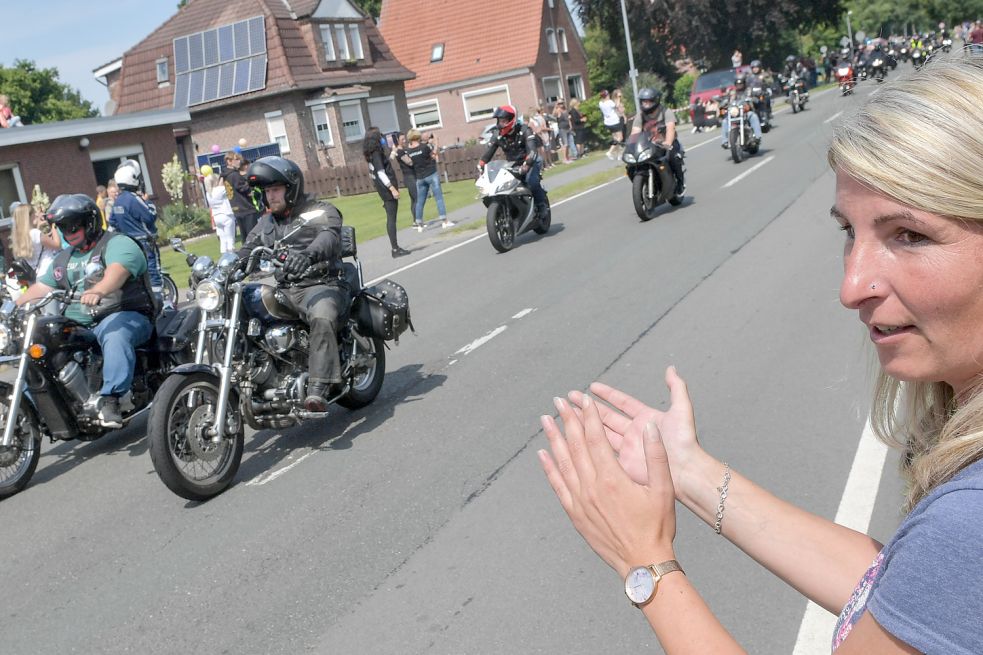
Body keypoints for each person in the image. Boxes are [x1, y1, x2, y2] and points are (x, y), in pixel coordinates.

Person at [539, 53, 983, 654]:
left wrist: (645, 566)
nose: (852, 287)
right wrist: (688, 470)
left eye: (909, 235)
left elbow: (945, 563)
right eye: (848, 233)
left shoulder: (967, 524)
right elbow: (910, 591)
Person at [16, 194, 156, 428]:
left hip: (124, 314)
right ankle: (26, 407)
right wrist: (14, 306)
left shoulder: (117, 243)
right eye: (62, 227)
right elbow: (42, 286)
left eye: (73, 225)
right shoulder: (64, 258)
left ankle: (111, 399)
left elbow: (117, 271)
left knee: (114, 334)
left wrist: (99, 290)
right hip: (81, 323)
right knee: (40, 343)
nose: (68, 232)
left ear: (89, 222)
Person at [239, 156, 349, 411]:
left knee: (322, 315)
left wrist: (308, 255)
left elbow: (329, 237)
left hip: (323, 284)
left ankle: (318, 387)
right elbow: (248, 249)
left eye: (275, 190)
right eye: (267, 191)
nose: (270, 197)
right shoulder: (267, 222)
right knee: (247, 303)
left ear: (291, 188)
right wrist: (223, 267)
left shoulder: (319, 210)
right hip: (287, 290)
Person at [478, 104, 547, 219]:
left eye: (504, 121)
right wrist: (481, 164)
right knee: (499, 186)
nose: (501, 124)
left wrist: (527, 164)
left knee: (531, 182)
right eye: (499, 121)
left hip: (530, 161)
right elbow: (489, 151)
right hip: (511, 165)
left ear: (511, 120)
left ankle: (541, 205)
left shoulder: (525, 130)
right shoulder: (498, 135)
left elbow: (532, 150)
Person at [109, 159, 162, 297]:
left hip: (129, 244)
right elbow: (150, 216)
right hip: (144, 241)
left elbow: (113, 223)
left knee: (137, 274)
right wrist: (148, 201)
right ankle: (160, 300)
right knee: (153, 271)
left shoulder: (117, 201)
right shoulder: (133, 199)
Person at [628, 87, 685, 196]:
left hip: (667, 144)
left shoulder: (665, 112)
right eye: (644, 101)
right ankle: (644, 184)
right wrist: (631, 146)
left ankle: (680, 183)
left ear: (655, 100)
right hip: (649, 145)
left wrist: (668, 143)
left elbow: (670, 128)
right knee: (631, 165)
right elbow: (635, 132)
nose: (646, 104)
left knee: (674, 158)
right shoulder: (640, 116)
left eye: (649, 101)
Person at [363, 127, 410, 257]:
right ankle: (395, 249)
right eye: (380, 136)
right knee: (391, 219)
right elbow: (381, 173)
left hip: (383, 190)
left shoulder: (373, 153)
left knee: (391, 218)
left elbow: (379, 169)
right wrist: (392, 188)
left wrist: (393, 152)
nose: (382, 138)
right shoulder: (376, 153)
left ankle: (395, 247)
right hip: (387, 190)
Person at [403, 129, 453, 230]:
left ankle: (419, 224)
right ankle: (444, 221)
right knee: (438, 198)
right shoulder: (424, 147)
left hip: (419, 177)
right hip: (431, 174)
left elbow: (410, 162)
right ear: (418, 136)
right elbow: (434, 155)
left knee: (420, 201)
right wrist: (436, 143)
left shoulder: (408, 151)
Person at [221, 151, 262, 243]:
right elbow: (243, 189)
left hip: (237, 209)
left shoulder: (225, 175)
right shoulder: (234, 175)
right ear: (229, 161)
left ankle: (246, 255)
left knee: (245, 237)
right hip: (246, 208)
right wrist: (251, 185)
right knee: (253, 236)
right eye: (237, 159)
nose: (239, 161)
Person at [11, 202, 60, 278]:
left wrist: (38, 226)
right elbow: (57, 245)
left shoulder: (19, 237)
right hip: (50, 272)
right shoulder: (35, 233)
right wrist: (53, 226)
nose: (36, 215)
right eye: (34, 213)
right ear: (28, 217)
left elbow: (36, 243)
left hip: (37, 276)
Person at [719, 74, 762, 148]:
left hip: (746, 112)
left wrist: (754, 98)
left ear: (744, 83)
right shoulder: (732, 92)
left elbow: (756, 97)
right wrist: (723, 102)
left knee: (753, 116)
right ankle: (725, 141)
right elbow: (725, 100)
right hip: (734, 113)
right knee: (725, 121)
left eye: (741, 83)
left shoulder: (749, 90)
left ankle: (757, 137)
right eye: (737, 84)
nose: (739, 85)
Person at [204, 172, 236, 253]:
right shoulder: (219, 190)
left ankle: (224, 255)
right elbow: (228, 187)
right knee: (230, 237)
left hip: (216, 216)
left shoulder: (208, 193)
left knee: (223, 239)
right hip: (226, 214)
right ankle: (231, 253)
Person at [391, 133, 418, 228]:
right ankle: (416, 221)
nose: (404, 141)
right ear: (397, 140)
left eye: (404, 139)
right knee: (416, 198)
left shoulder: (404, 150)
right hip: (409, 177)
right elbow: (409, 162)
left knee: (413, 199)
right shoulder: (400, 152)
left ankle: (416, 220)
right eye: (402, 139)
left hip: (412, 176)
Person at [599, 90, 623, 159]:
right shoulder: (609, 102)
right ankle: (610, 152)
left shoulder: (600, 103)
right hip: (614, 121)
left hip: (608, 122)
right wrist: (618, 98)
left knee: (615, 138)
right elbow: (617, 106)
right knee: (620, 138)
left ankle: (619, 155)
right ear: (607, 95)